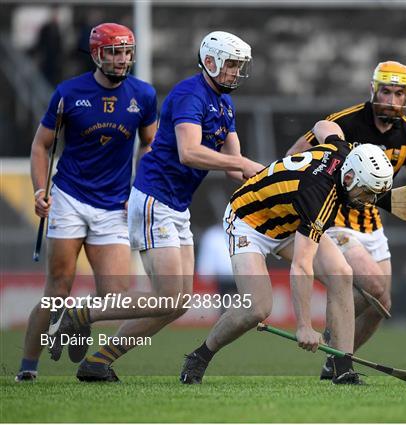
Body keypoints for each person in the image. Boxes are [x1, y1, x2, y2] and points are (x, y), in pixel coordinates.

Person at [48, 31, 264, 382]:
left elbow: (237, 161)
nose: (237, 72)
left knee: (178, 302)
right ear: (211, 62)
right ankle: (79, 312)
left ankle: (98, 362)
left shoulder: (225, 104)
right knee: (166, 296)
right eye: (232, 65)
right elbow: (189, 152)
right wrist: (242, 164)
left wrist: (269, 183)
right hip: (154, 199)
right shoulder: (189, 94)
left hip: (177, 206)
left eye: (240, 66)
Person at [180, 120, 394, 386]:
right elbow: (302, 266)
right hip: (249, 221)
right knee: (257, 307)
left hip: (289, 219)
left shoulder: (344, 151)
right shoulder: (319, 196)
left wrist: (289, 163)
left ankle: (342, 368)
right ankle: (200, 356)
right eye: (365, 192)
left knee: (341, 273)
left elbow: (323, 125)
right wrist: (304, 325)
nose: (366, 202)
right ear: (349, 177)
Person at [16, 23, 158, 382]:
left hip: (114, 205)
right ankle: (27, 368)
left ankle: (82, 330)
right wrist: (38, 190)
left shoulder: (143, 95)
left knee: (115, 297)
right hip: (69, 198)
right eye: (114, 52)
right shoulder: (68, 93)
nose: (122, 59)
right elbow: (40, 146)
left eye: (127, 51)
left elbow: (150, 144)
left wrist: (139, 188)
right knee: (57, 289)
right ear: (96, 54)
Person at [286, 61, 406, 379]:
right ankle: (336, 339)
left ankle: (336, 361)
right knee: (372, 284)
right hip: (335, 219)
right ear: (374, 90)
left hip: (372, 224)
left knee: (381, 303)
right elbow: (295, 155)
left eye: (399, 93)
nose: (392, 99)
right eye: (386, 91)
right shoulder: (345, 122)